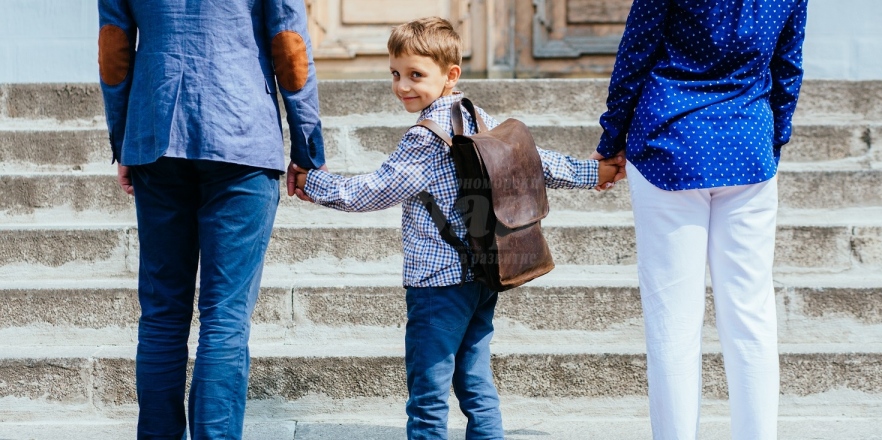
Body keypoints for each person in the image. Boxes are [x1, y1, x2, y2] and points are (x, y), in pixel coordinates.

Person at [287, 17, 624, 440]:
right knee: (475, 381)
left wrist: (312, 182)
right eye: (395, 74)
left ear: (450, 75)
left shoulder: (425, 137)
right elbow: (532, 163)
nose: (403, 86)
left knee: (427, 394)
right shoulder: (473, 114)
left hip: (438, 284)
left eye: (415, 75)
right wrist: (592, 173)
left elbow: (372, 192)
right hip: (483, 273)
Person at [97, 0, 325, 438]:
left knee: (163, 314)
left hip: (156, 134)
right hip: (241, 130)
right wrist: (308, 148)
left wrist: (123, 136)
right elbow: (290, 46)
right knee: (225, 316)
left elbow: (114, 49)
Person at [592, 0, 808, 439]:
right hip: (747, 145)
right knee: (751, 312)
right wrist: (771, 139)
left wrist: (611, 138)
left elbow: (635, 53)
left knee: (673, 316)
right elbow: (788, 68)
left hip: (670, 143)